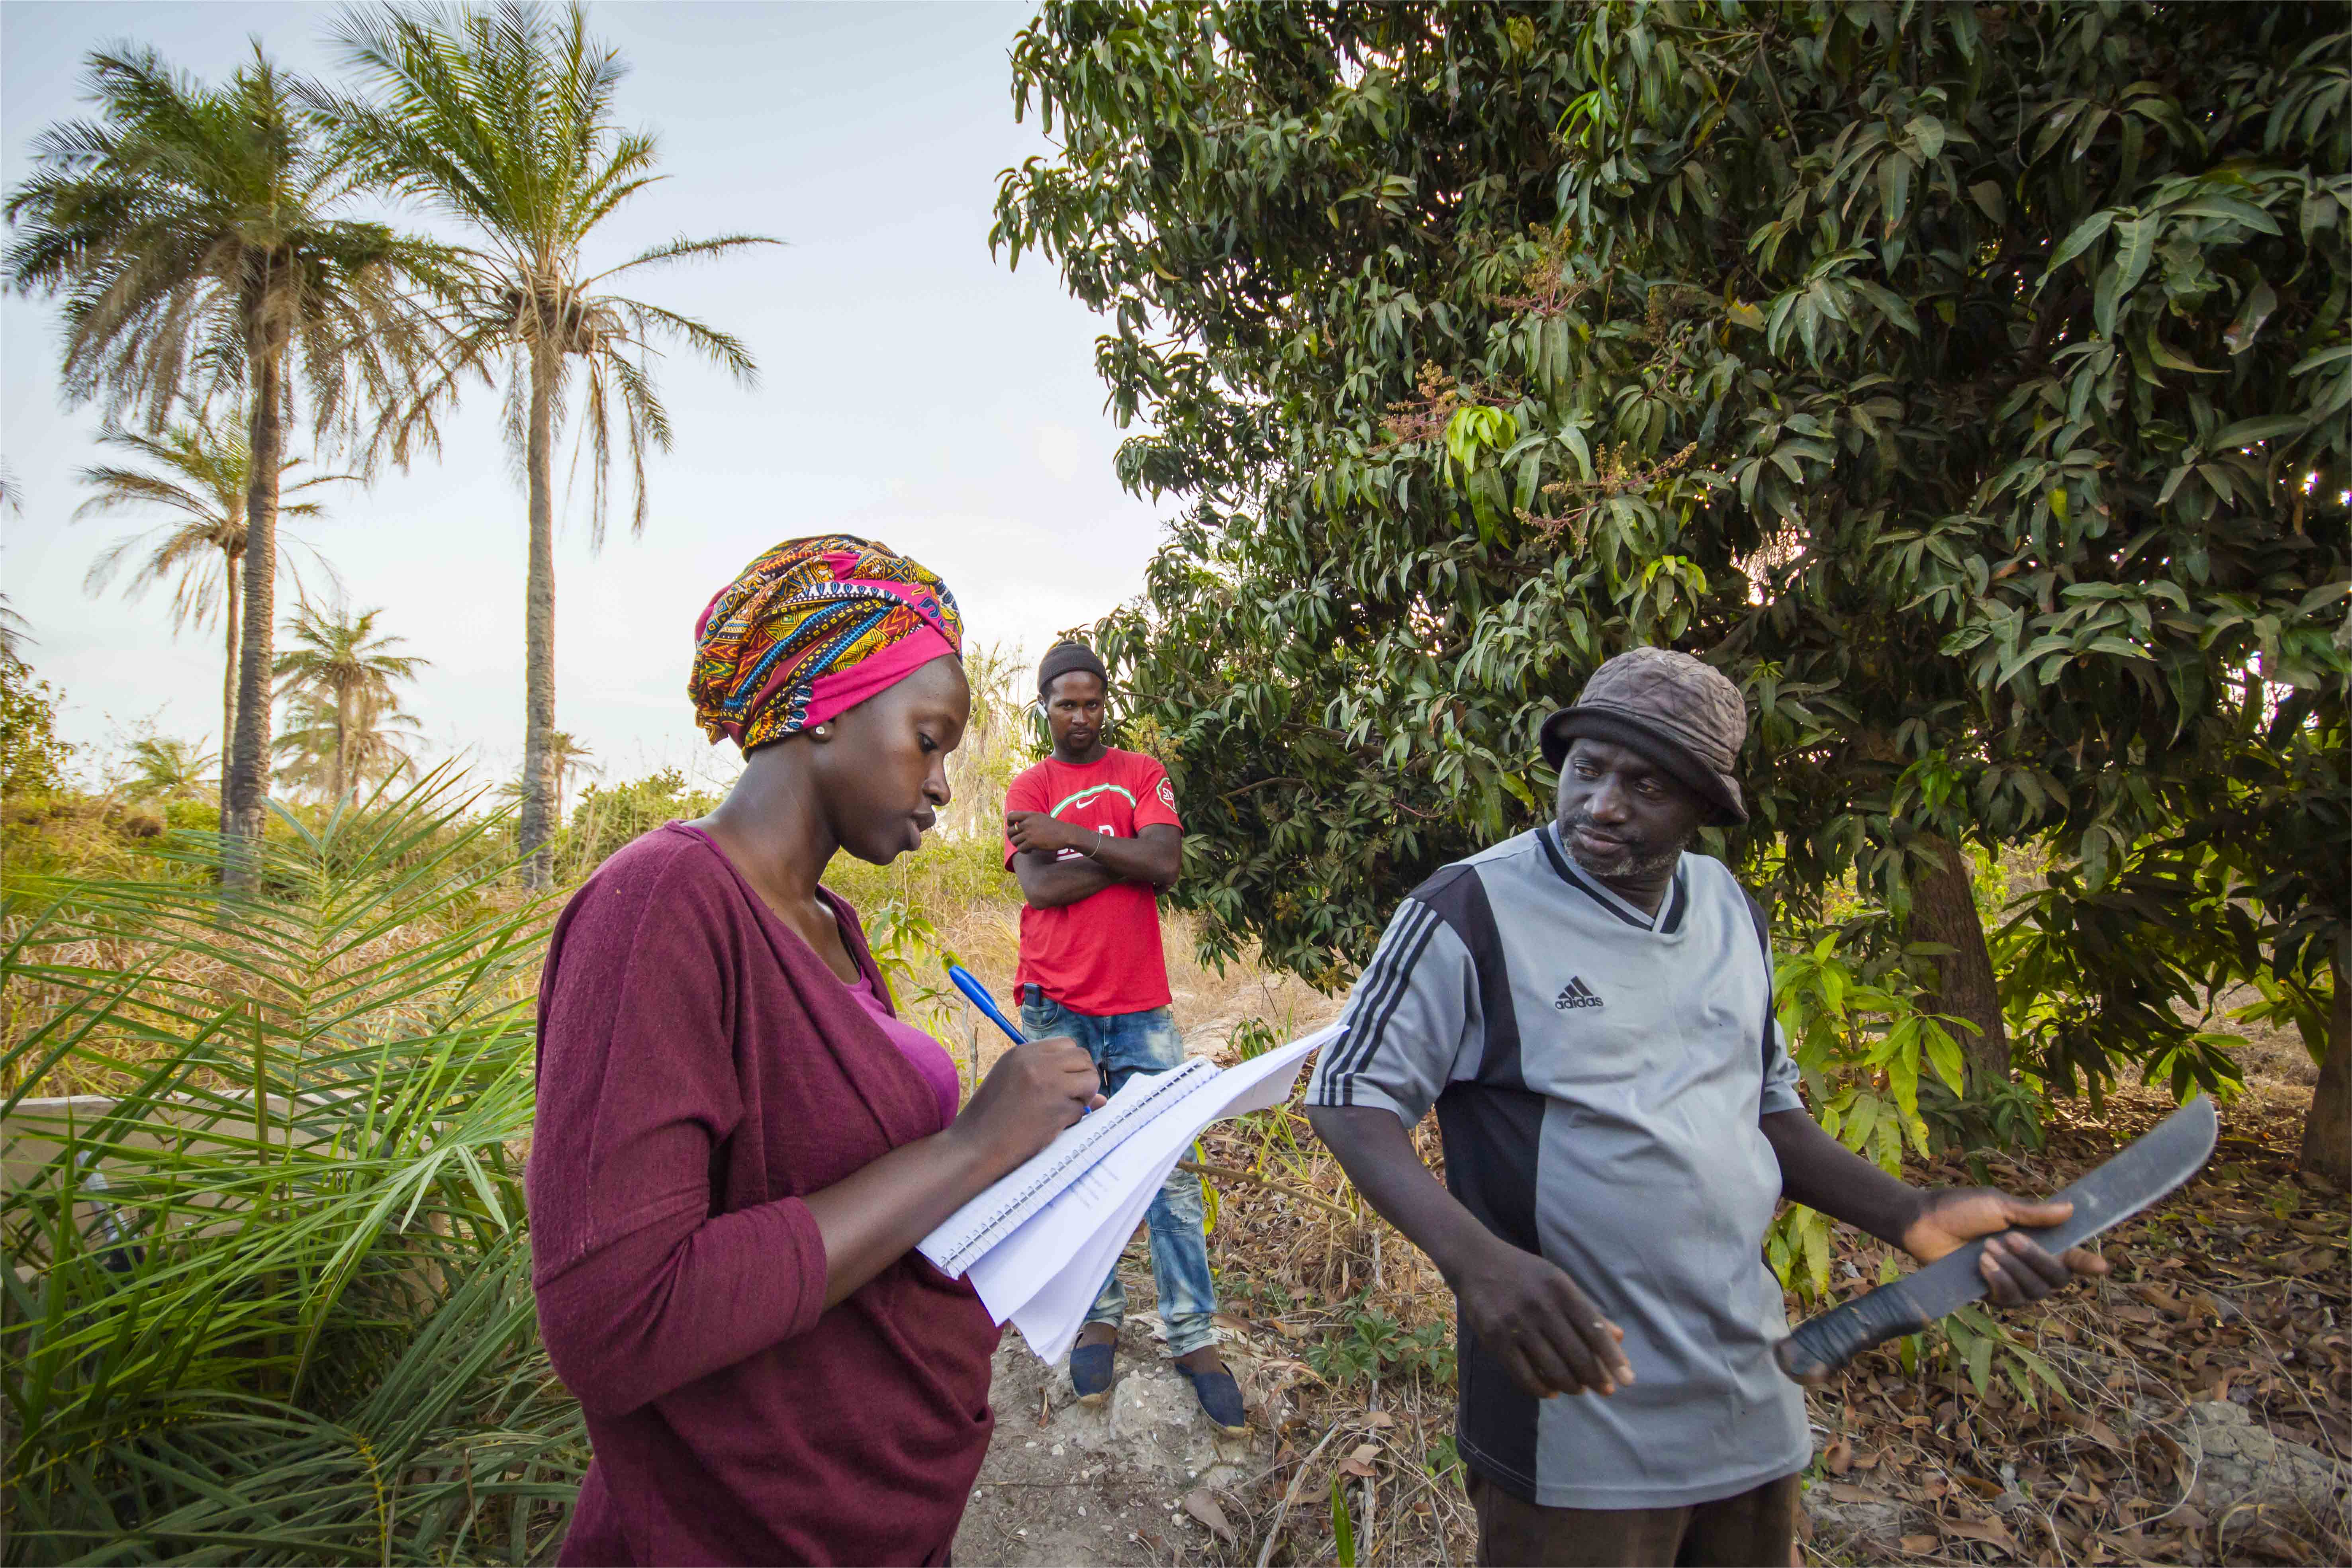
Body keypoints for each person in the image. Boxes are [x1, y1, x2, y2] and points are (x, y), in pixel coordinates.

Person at [1305, 646, 2114, 1568]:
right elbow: (1348, 1097)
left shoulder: (1730, 909)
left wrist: (1912, 1214)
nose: (1602, 804)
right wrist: (1478, 1264)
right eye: (1587, 769)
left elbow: (1768, 1110)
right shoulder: (1467, 909)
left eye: (1644, 784)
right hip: (1572, 1404)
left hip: (1749, 1392)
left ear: (1703, 806)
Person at [527, 536, 1105, 1566]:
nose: (940, 783)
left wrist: (1032, 1163)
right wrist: (968, 1147)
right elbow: (615, 1321)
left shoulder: (829, 921)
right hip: (729, 1536)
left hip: (865, 1519)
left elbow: (847, 1187)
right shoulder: (659, 904)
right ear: (830, 702)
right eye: (929, 740)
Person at [1001, 640, 1245, 1431]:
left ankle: (1192, 1335)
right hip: (1057, 1006)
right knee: (1076, 1167)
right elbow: (1040, 886)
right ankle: (1097, 1316)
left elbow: (1167, 864)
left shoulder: (1139, 771)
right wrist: (1128, 853)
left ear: (1106, 703)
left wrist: (1081, 843)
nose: (1080, 715)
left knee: (1170, 1171)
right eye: (1065, 703)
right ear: (1045, 706)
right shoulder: (1029, 785)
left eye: (1091, 702)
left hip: (1140, 1006)